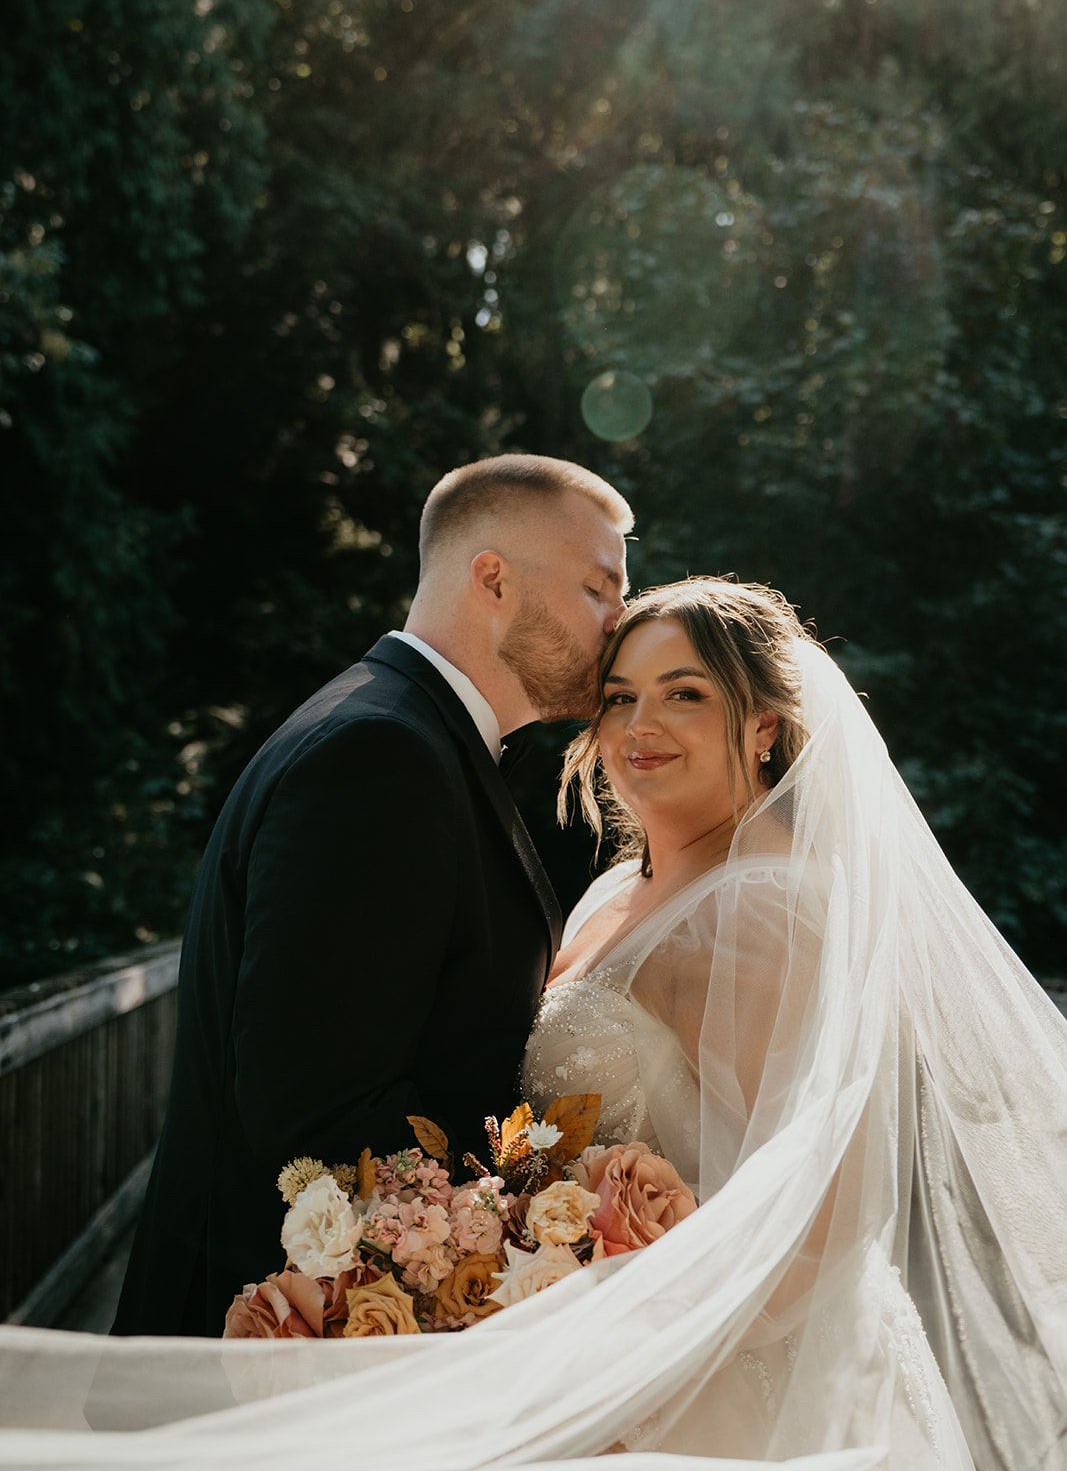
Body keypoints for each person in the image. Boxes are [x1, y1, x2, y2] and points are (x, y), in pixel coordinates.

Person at [4, 577, 1067, 1471]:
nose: (638, 727)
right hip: (568, 1344)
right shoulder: (611, 894)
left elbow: (823, 1220)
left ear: (764, 727)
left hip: (694, 1385)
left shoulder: (762, 913)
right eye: (619, 696)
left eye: (682, 694)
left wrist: (608, 1339)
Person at [111, 454, 633, 1340]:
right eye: (598, 589)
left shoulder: (406, 737)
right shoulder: (378, 758)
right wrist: (541, 1227)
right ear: (493, 579)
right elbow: (313, 1109)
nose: (620, 624)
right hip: (279, 1350)